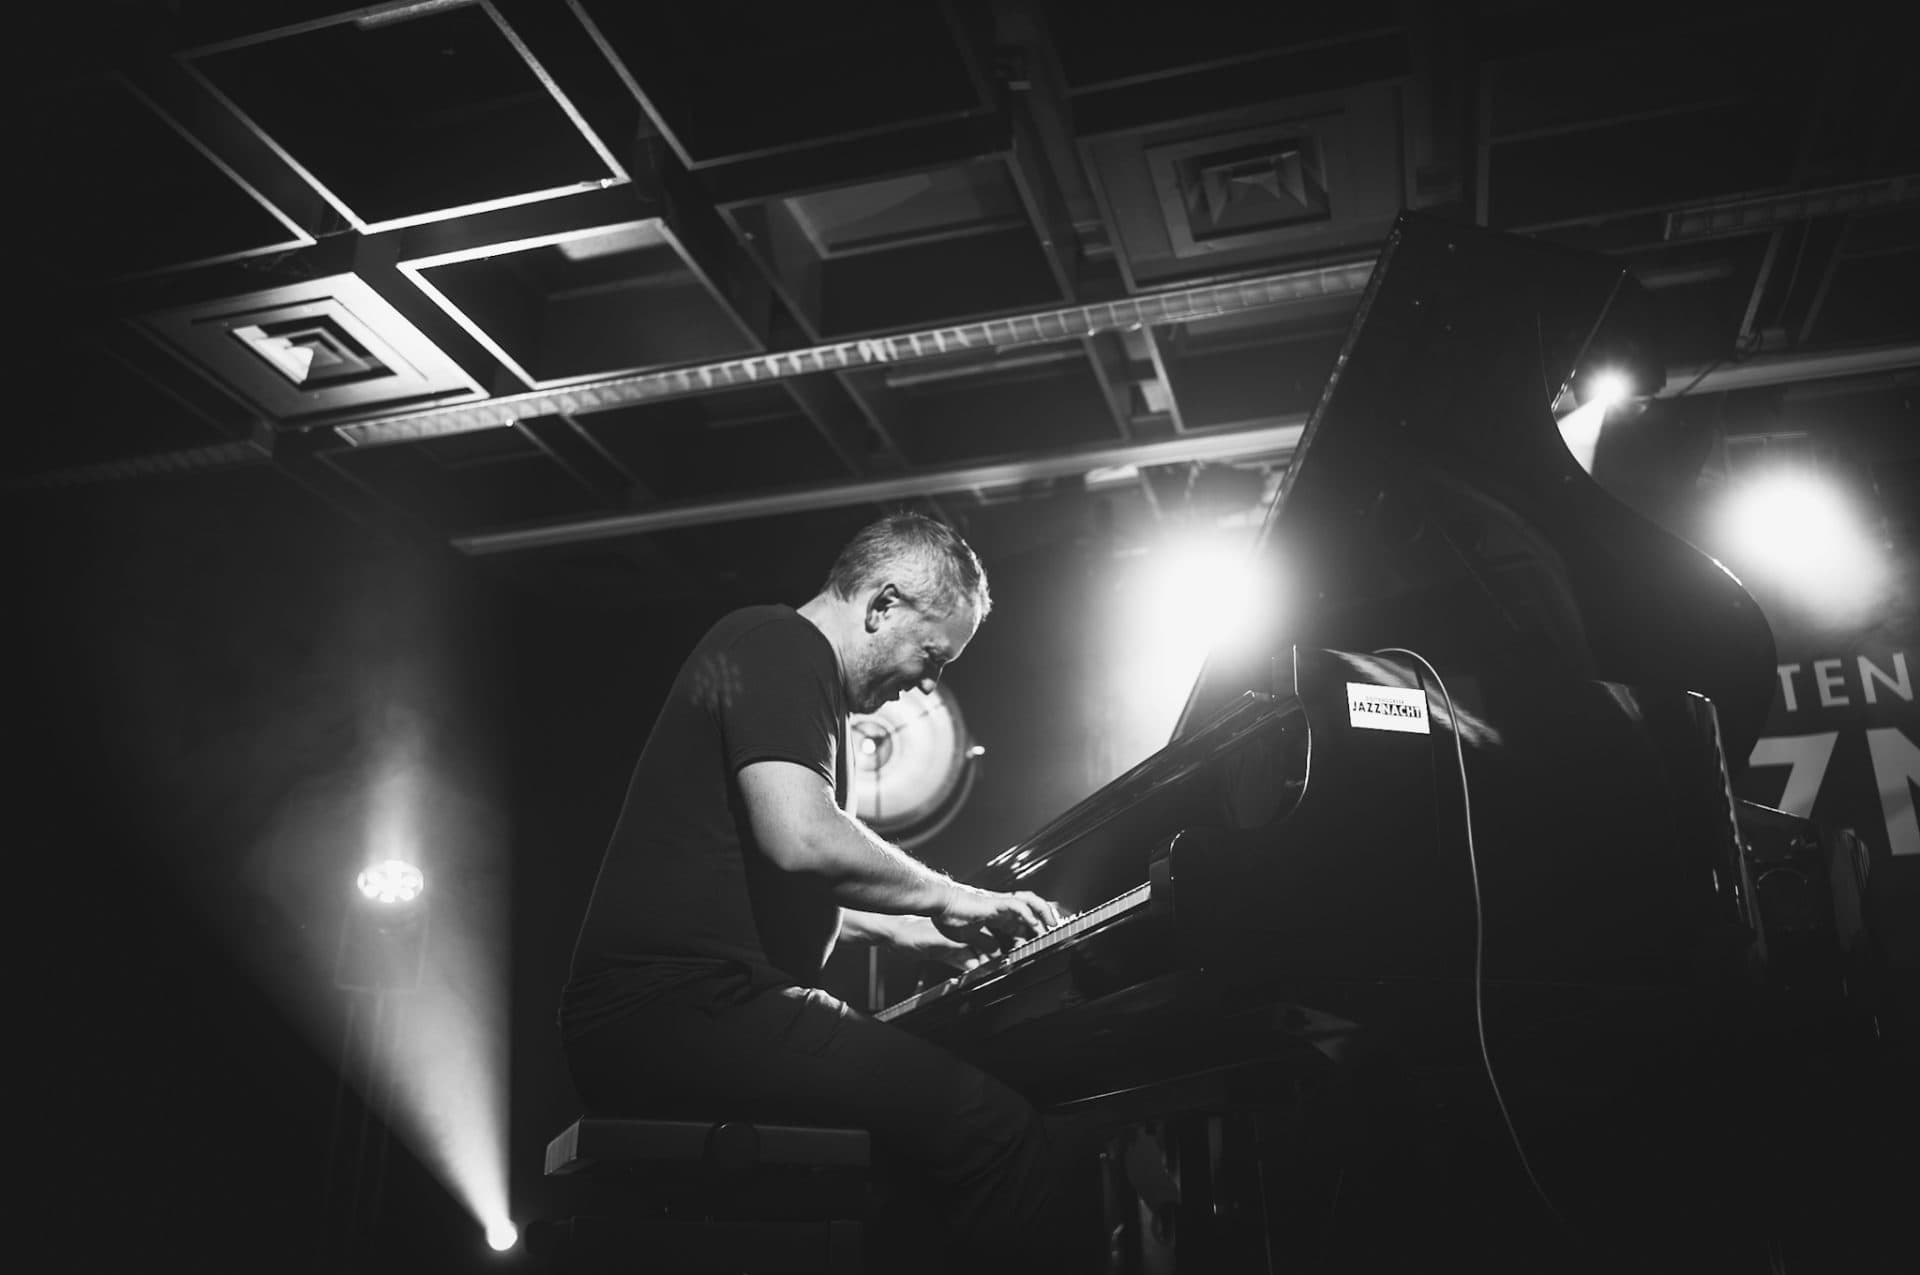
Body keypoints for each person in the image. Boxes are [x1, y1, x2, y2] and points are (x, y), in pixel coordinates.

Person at [559, 512, 1087, 1270]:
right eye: (933, 655)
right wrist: (954, 897)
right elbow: (802, 838)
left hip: (670, 1014)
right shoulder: (781, 644)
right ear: (882, 604)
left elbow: (765, 877)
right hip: (679, 1012)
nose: (928, 684)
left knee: (910, 1167)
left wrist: (912, 933)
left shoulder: (783, 661)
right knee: (1003, 1137)